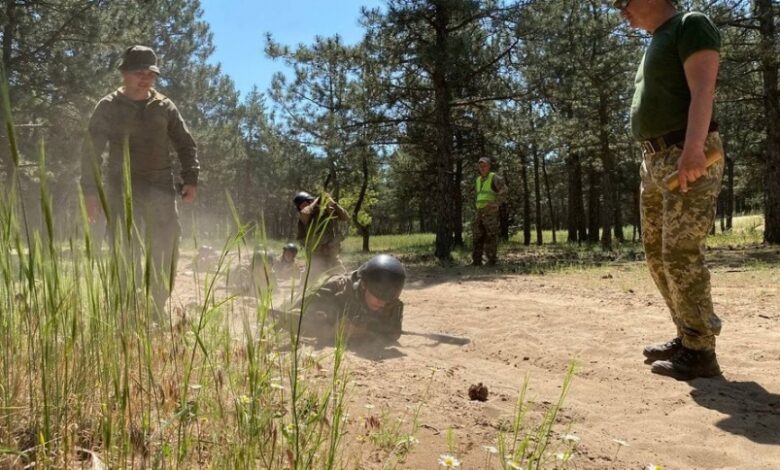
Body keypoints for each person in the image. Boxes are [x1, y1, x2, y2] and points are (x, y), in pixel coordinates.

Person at [614, 0, 724, 379]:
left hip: (686, 154)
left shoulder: (690, 24)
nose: (620, 11)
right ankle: (686, 335)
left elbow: (703, 90)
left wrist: (694, 148)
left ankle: (700, 349)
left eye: (622, 2)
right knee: (658, 255)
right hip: (655, 159)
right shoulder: (656, 40)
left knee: (680, 251)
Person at [82, 45, 199, 319]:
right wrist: (90, 192)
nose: (145, 78)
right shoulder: (108, 106)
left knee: (166, 247)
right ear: (124, 73)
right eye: (138, 72)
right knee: (124, 248)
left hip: (161, 188)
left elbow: (185, 144)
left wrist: (191, 178)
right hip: (122, 190)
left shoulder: (164, 106)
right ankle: (125, 309)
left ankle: (156, 308)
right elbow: (90, 152)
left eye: (151, 73)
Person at [276, 254, 405, 344]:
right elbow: (290, 319)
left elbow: (392, 335)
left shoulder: (390, 303)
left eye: (389, 297)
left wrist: (364, 331)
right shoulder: (333, 290)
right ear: (364, 285)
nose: (382, 303)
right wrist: (333, 331)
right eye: (378, 295)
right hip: (294, 302)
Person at [293, 191, 350, 280]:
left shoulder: (326, 211)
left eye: (304, 203)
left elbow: (345, 217)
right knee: (306, 285)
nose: (302, 206)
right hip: (316, 258)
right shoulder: (304, 217)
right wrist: (317, 199)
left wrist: (332, 203)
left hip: (331, 256)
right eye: (300, 205)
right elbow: (305, 213)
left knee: (343, 279)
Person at [472, 157, 507, 266]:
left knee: (490, 236)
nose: (482, 168)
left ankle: (491, 261)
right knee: (477, 236)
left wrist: (496, 203)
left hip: (490, 212)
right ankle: (476, 261)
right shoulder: (478, 180)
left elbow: (504, 190)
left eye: (484, 165)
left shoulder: (494, 177)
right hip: (479, 212)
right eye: (480, 166)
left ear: (489, 166)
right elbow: (479, 195)